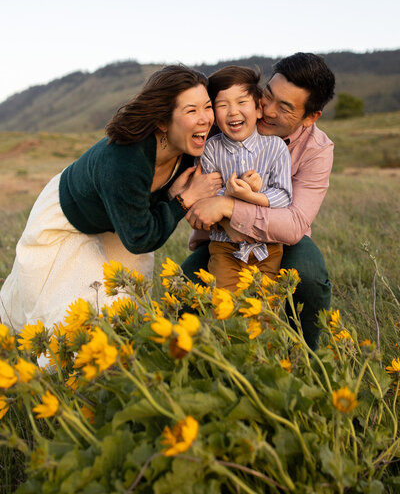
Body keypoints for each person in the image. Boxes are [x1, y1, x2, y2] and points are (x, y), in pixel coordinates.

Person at [0, 65, 222, 332]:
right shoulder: (125, 161)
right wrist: (184, 199)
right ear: (162, 121)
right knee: (83, 304)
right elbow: (140, 238)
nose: (205, 119)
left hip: (117, 221)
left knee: (129, 303)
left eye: (207, 107)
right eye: (191, 110)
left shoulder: (191, 146)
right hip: (70, 217)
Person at [182, 53, 335, 350]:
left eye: (285, 107)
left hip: (281, 241)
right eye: (268, 96)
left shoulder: (317, 149)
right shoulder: (224, 126)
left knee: (310, 276)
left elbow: (293, 225)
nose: (267, 110)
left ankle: (304, 355)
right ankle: (203, 360)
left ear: (310, 117)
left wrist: (228, 206)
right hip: (222, 239)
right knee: (184, 285)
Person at [200, 66, 292, 290]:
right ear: (213, 114)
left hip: (267, 248)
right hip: (225, 248)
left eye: (242, 102)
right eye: (222, 105)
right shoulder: (211, 149)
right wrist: (230, 194)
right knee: (223, 303)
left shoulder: (275, 147)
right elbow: (207, 195)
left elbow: (283, 195)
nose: (233, 111)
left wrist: (251, 196)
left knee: (267, 308)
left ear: (259, 108)